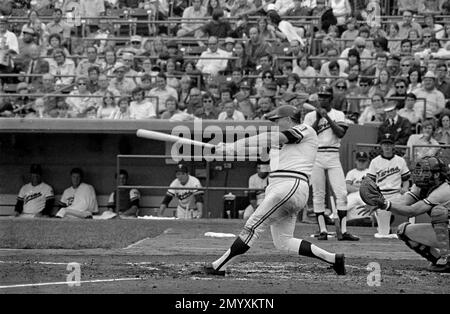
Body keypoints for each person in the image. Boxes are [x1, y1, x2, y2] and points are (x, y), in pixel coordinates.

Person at [203, 104, 346, 276]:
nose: (275, 125)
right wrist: (224, 149)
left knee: (252, 226)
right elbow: (254, 147)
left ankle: (219, 265)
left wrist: (234, 145)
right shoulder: (279, 144)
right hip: (283, 189)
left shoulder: (305, 129)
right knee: (283, 242)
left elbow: (269, 137)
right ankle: (334, 259)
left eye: (277, 121)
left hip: (289, 185)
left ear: (288, 119)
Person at [360, 156, 450, 272]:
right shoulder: (421, 186)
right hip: (446, 232)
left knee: (439, 212)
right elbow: (404, 201)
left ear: (437, 175)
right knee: (403, 230)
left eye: (425, 171)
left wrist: (384, 205)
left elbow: (413, 211)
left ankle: (447, 258)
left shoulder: (444, 190)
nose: (420, 174)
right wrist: (380, 201)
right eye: (419, 171)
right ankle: (438, 261)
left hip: (446, 231)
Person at [303, 85, 359, 241]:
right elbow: (308, 135)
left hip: (333, 155)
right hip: (316, 155)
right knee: (318, 195)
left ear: (331, 99)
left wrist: (327, 117)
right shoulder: (310, 116)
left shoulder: (338, 114)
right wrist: (318, 117)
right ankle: (322, 230)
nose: (322, 99)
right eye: (320, 97)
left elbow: (340, 133)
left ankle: (343, 231)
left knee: (341, 194)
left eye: (325, 97)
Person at [366, 133, 411, 238]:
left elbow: (406, 180)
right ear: (381, 146)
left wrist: (405, 188)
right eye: (385, 144)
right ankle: (387, 230)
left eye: (389, 144)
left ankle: (411, 231)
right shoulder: (375, 161)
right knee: (383, 234)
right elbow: (370, 182)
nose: (387, 146)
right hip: (382, 196)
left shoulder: (400, 160)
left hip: (396, 195)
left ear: (393, 146)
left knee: (412, 199)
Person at [345, 152, 371, 224]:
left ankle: (380, 221)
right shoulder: (351, 172)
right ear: (356, 161)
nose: (361, 163)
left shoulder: (370, 172)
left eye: (363, 161)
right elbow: (347, 187)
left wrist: (355, 187)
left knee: (373, 206)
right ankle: (332, 218)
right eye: (359, 161)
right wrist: (360, 188)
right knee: (345, 205)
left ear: (367, 162)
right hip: (354, 194)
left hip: (366, 195)